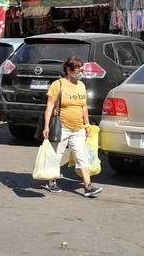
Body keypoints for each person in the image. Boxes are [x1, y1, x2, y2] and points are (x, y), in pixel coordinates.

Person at [42, 56, 101, 198]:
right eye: (78, 70)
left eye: (81, 70)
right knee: (57, 155)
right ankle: (51, 180)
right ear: (69, 70)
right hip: (62, 127)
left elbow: (84, 106)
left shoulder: (81, 85)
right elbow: (49, 106)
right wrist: (46, 126)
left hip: (78, 128)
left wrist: (86, 124)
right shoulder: (58, 84)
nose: (81, 72)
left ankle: (88, 187)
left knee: (82, 157)